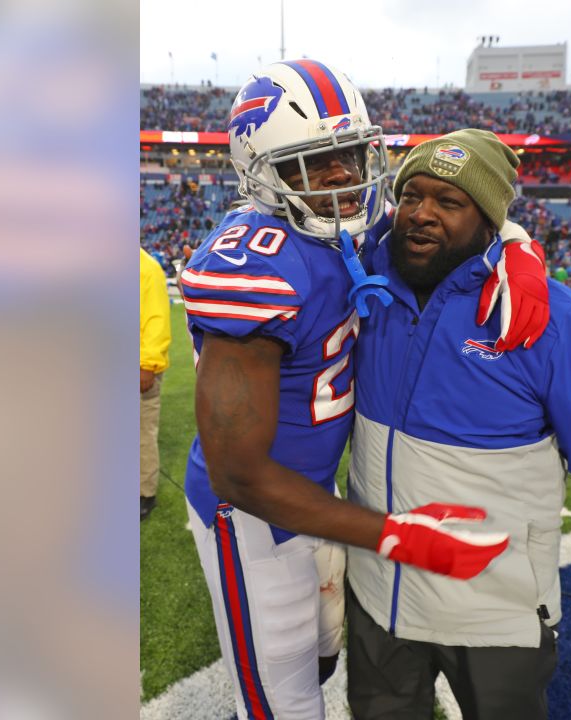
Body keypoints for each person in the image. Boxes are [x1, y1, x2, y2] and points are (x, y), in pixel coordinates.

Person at [177, 61, 549, 720]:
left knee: (321, 655)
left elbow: (450, 223)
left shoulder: (347, 234)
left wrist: (516, 245)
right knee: (284, 702)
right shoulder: (256, 261)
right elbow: (239, 474)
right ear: (264, 171)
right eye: (316, 163)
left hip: (313, 492)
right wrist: (398, 536)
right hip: (253, 512)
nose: (345, 176)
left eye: (348, 153)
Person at [344, 130, 571, 719]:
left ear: (489, 220)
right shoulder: (364, 290)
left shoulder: (552, 319)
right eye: (412, 196)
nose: (422, 215)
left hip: (495, 616)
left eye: (450, 202)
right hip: (377, 602)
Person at [140, 247, 171, 520]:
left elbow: (156, 320)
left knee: (141, 433)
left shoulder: (146, 267)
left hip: (138, 366)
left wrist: (147, 365)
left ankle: (144, 493)